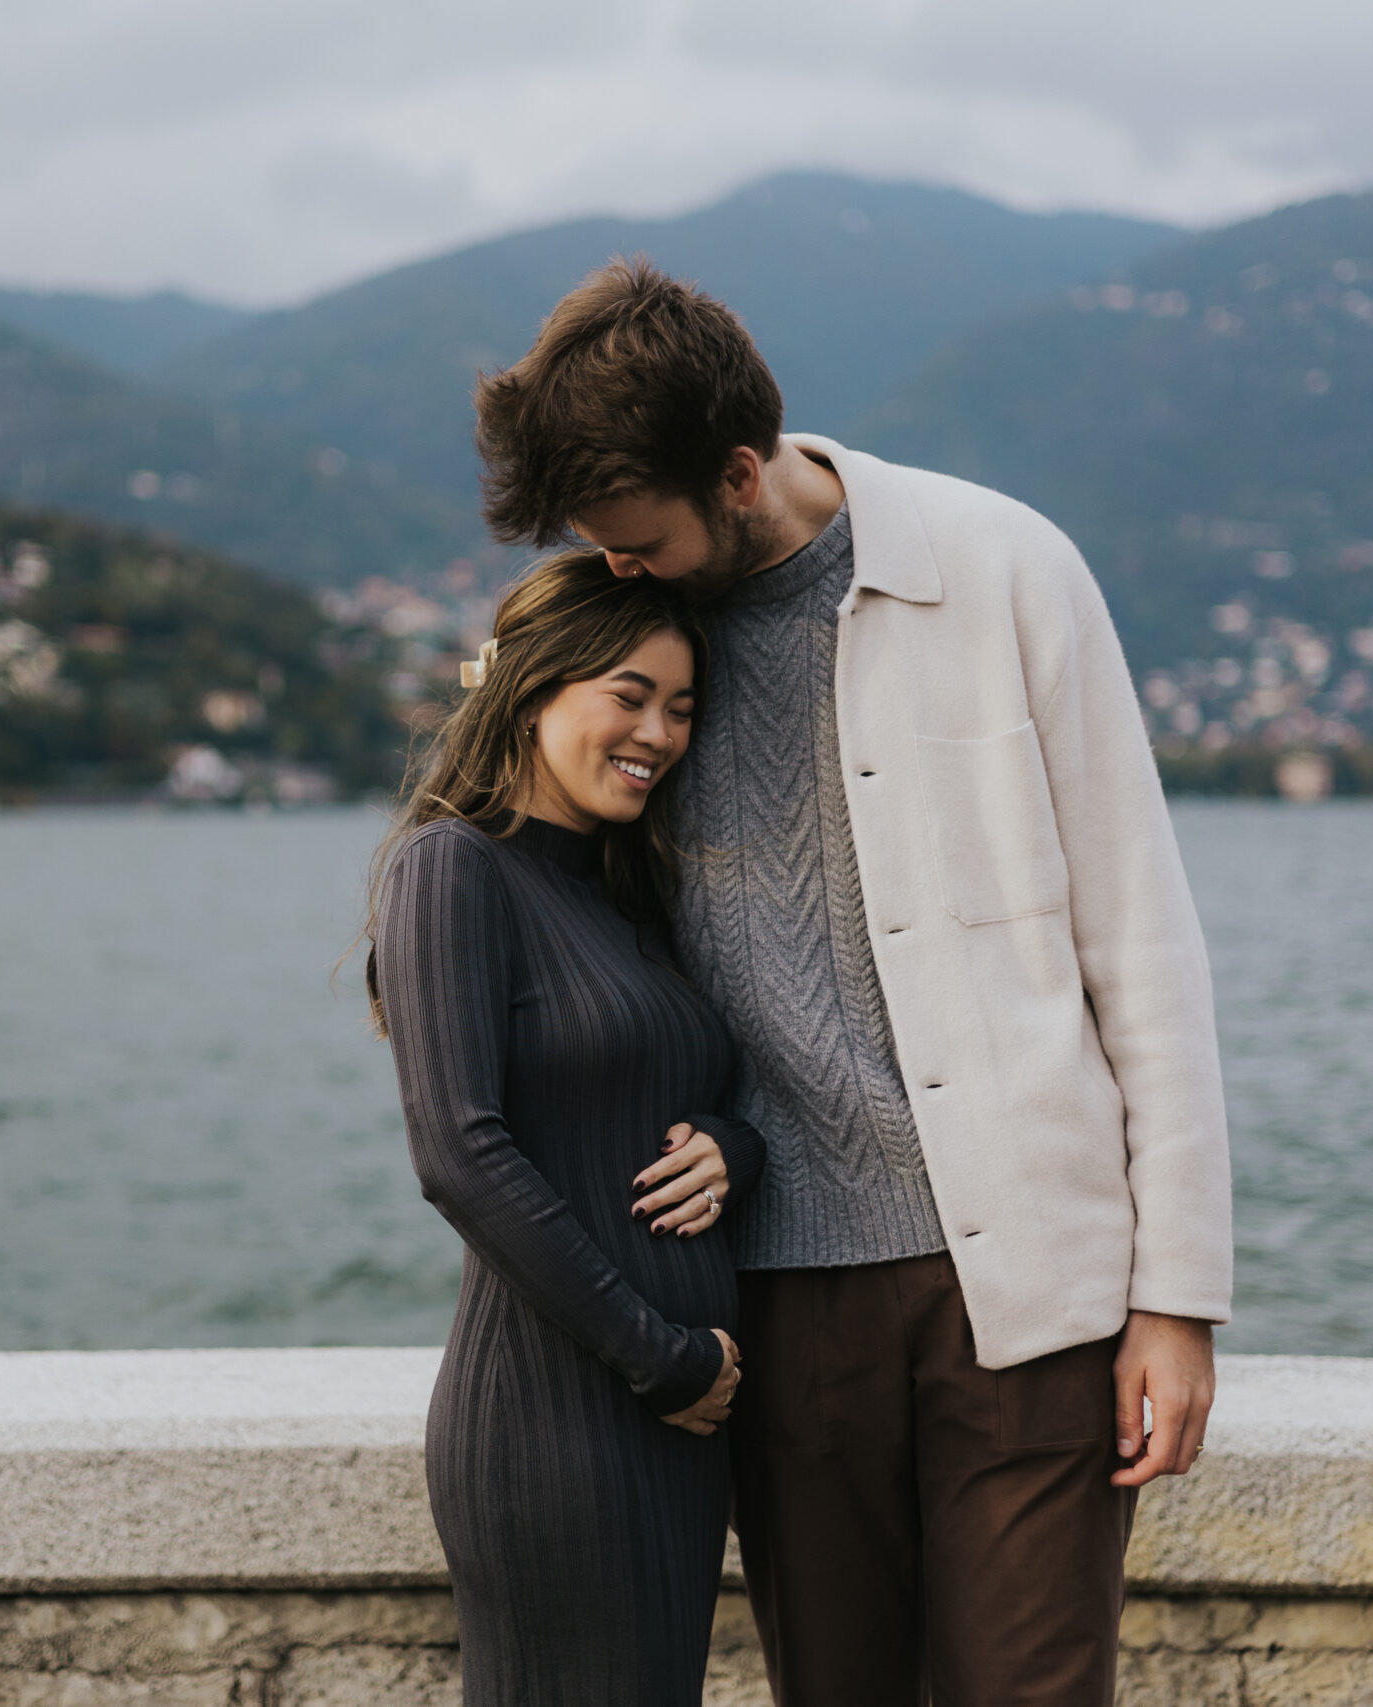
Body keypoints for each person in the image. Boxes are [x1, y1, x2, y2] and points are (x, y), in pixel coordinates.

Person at [470, 259, 1235, 1707]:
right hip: (777, 1303)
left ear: (740, 473)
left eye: (636, 539)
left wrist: (1178, 1295)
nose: (616, 570)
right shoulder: (647, 662)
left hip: (1025, 1286)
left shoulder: (1006, 567)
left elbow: (1143, 940)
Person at [364, 550, 769, 1706]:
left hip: (673, 1427)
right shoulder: (454, 869)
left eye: (682, 708)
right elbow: (457, 1151)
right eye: (629, 696)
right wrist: (662, 1358)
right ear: (534, 691)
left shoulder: (620, 889)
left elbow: (699, 1095)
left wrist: (734, 1150)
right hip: (561, 1423)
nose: (660, 732)